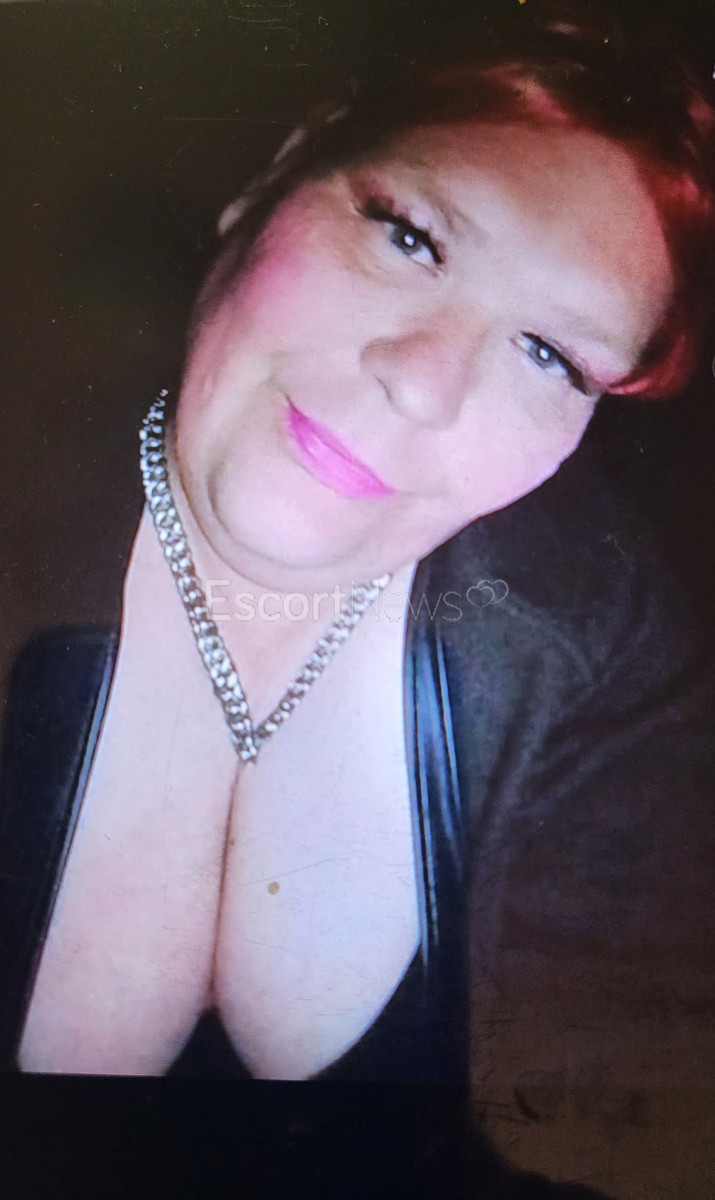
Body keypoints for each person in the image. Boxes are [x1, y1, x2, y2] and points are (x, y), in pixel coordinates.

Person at [0, 8, 713, 1196]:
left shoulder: (598, 645)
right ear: (279, 173)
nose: (422, 383)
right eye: (411, 237)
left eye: (548, 354)